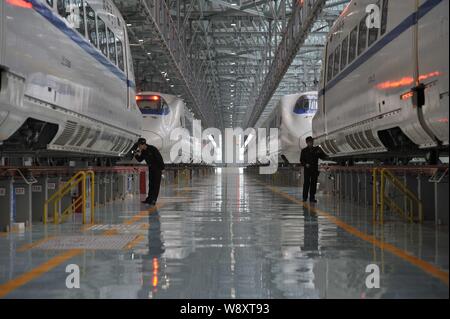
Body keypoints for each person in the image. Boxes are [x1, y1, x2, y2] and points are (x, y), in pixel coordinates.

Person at [134, 138, 165, 205]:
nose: (139, 147)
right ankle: (149, 199)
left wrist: (161, 168)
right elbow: (140, 159)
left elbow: (159, 158)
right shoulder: (143, 151)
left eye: (139, 145)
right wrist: (136, 154)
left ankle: (153, 200)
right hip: (151, 169)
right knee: (151, 184)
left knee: (155, 185)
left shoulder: (152, 149)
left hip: (157, 169)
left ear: (143, 144)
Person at [300, 136, 327, 203]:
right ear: (307, 143)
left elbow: (323, 156)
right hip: (307, 170)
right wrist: (305, 164)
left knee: (313, 184)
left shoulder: (317, 149)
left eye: (311, 142)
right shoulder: (304, 151)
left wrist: (321, 151)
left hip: (314, 169)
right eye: (309, 142)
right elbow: (301, 160)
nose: (311, 143)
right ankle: (304, 198)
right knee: (306, 183)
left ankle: (312, 198)